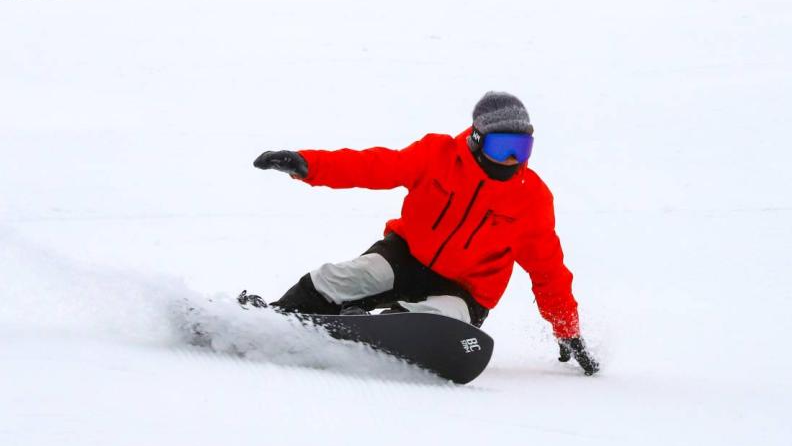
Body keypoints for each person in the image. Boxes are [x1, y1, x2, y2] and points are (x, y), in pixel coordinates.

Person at [249, 91, 599, 376]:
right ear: (477, 140)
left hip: (465, 291)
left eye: (521, 150)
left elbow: (548, 270)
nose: (511, 159)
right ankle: (273, 317)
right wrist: (309, 165)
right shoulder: (437, 155)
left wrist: (566, 328)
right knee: (349, 275)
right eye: (502, 147)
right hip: (406, 257)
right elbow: (375, 166)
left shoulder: (531, 198)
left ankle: (382, 329)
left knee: (439, 316)